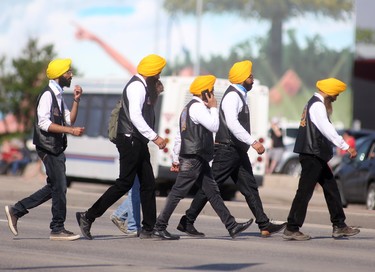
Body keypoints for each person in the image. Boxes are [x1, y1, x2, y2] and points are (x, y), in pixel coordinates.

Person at [176, 60, 286, 238]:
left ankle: (264, 224)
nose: (252, 78)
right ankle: (187, 220)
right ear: (243, 78)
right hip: (227, 149)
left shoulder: (241, 95)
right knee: (210, 187)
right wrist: (253, 142)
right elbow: (233, 124)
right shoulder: (232, 97)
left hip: (236, 151)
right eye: (250, 76)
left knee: (250, 187)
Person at [76, 54, 167, 240]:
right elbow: (135, 116)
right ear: (153, 72)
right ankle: (88, 216)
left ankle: (150, 228)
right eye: (159, 72)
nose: (159, 76)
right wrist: (155, 137)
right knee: (124, 183)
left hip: (138, 140)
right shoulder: (136, 87)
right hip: (129, 139)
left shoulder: (144, 86)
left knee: (148, 184)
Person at [153, 75, 253, 240]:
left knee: (213, 192)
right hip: (194, 158)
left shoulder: (187, 108)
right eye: (211, 91)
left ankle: (231, 225)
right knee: (178, 192)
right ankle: (159, 226)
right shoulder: (198, 108)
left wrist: (176, 158)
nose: (213, 94)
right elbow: (214, 125)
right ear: (205, 92)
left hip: (195, 157)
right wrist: (214, 107)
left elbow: (180, 136)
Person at [4, 58, 85, 241]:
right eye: (68, 72)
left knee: (55, 187)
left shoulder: (58, 95)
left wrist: (76, 101)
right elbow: (44, 123)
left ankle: (16, 210)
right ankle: (57, 228)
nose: (71, 75)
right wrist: (70, 131)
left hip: (56, 146)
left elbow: (69, 119)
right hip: (48, 147)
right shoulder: (48, 95)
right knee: (60, 186)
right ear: (59, 75)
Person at [283, 78, 360, 241]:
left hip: (315, 154)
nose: (336, 98)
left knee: (331, 188)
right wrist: (345, 146)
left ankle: (339, 225)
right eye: (335, 94)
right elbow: (327, 129)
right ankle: (291, 227)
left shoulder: (313, 103)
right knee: (304, 192)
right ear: (329, 92)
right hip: (312, 155)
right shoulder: (317, 105)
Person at [110, 80, 165, 237]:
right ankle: (131, 223)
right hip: (131, 144)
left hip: (138, 144)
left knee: (139, 185)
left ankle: (124, 217)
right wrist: (154, 138)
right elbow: (136, 123)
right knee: (134, 185)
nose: (155, 99)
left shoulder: (147, 106)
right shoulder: (138, 102)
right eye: (156, 95)